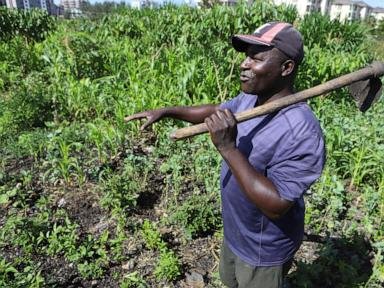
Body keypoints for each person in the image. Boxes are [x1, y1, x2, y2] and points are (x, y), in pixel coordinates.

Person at [125, 22, 325, 288]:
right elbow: (215, 111)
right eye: (246, 56)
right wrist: (168, 111)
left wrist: (228, 148)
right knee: (230, 280)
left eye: (256, 58)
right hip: (236, 231)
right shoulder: (253, 98)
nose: (244, 64)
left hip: (262, 249)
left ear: (286, 68)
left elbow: (276, 206)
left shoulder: (300, 131)